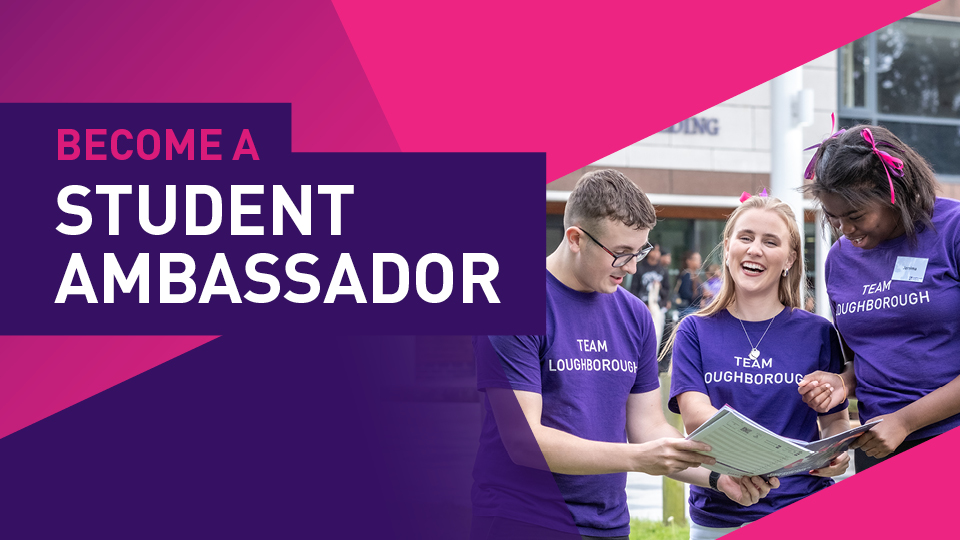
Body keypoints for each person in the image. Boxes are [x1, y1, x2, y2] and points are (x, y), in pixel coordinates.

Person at [472, 170, 777, 540]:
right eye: (621, 254)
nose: (632, 267)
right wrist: (637, 458)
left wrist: (717, 476)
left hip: (609, 524)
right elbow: (523, 441)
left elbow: (647, 428)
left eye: (640, 252)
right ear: (575, 239)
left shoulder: (634, 315)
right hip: (523, 519)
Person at [666, 193, 850, 540]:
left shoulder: (819, 332)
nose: (754, 250)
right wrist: (756, 463)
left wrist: (834, 452)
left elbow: (834, 421)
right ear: (727, 247)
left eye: (770, 242)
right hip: (718, 516)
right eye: (746, 238)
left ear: (790, 258)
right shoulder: (694, 330)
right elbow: (696, 417)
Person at [798, 123, 960, 472]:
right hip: (877, 445)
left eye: (855, 215)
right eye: (833, 217)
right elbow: (867, 357)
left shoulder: (953, 230)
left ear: (893, 193)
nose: (845, 230)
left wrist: (905, 421)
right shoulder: (839, 260)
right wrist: (842, 382)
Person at [676, 251, 704, 316]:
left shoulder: (694, 274)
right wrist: (699, 296)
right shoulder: (687, 274)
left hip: (692, 309)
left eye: (700, 259)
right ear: (688, 261)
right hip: (688, 309)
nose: (699, 262)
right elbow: (685, 293)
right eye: (696, 259)